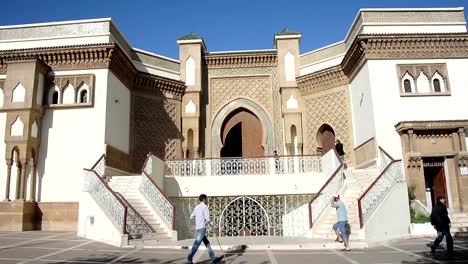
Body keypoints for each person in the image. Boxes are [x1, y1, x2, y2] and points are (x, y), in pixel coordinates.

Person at [186, 194, 221, 264]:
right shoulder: (205, 207)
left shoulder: (196, 207)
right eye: (206, 199)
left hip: (198, 228)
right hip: (202, 228)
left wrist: (197, 221)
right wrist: (213, 226)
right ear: (204, 199)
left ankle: (213, 258)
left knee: (207, 243)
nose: (207, 200)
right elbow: (207, 219)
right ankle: (189, 259)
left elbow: (191, 217)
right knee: (197, 244)